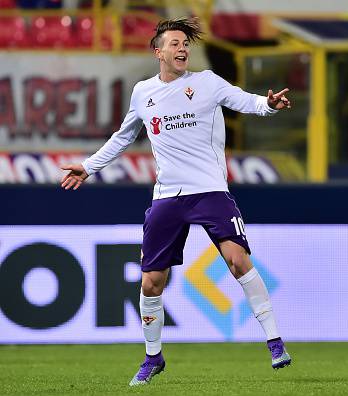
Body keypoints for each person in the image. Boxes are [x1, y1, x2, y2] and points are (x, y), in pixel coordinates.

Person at [60, 17, 292, 386]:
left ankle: (275, 341)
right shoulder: (143, 93)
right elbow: (123, 137)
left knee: (237, 260)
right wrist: (89, 167)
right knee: (152, 282)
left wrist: (269, 104)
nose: (183, 48)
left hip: (211, 190)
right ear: (158, 52)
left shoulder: (206, 83)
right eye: (175, 44)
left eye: (186, 43)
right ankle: (153, 358)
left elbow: (245, 101)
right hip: (168, 196)